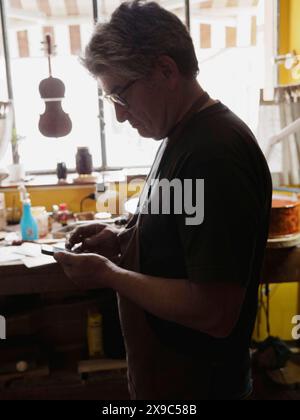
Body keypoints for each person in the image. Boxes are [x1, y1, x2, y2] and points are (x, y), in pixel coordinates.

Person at [54, 0, 272, 400]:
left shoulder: (213, 152)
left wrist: (108, 274)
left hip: (199, 386)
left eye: (120, 95)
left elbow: (214, 311)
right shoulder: (180, 136)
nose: (120, 116)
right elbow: (180, 234)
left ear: (166, 71)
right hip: (167, 378)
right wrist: (123, 238)